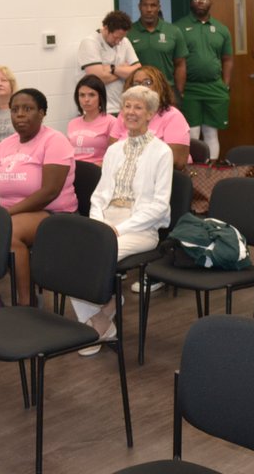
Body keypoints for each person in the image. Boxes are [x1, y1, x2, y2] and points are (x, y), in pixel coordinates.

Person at [74, 85, 173, 356]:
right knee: (71, 255)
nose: (130, 112)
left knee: (96, 256)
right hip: (106, 222)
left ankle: (101, 319)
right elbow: (99, 195)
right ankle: (99, 321)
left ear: (151, 113)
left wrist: (119, 228)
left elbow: (159, 206)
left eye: (138, 107)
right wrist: (98, 224)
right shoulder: (114, 150)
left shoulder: (162, 152)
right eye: (127, 106)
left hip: (141, 228)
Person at [0, 88, 77, 306]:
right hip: (11, 213)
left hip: (54, 213)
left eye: (28, 109)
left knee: (9, 231)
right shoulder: (5, 145)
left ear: (42, 113)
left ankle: (26, 302)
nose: (20, 115)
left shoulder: (55, 141)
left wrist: (6, 214)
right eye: (15, 110)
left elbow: (49, 191)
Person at [175, 0, 233, 160]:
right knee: (192, 132)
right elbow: (176, 61)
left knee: (211, 132)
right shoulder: (178, 27)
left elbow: (228, 59)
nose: (201, 1)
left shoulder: (222, 29)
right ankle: (193, 172)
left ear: (211, 2)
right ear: (191, 1)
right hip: (190, 88)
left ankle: (211, 171)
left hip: (214, 86)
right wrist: (180, 90)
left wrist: (225, 85)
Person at [108, 65, 190, 171]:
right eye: (136, 83)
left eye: (147, 83)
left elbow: (177, 161)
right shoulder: (125, 114)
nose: (141, 87)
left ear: (160, 86)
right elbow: (112, 151)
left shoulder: (174, 116)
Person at [78, 10, 142, 114]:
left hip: (122, 108)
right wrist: (124, 70)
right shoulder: (90, 42)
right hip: (100, 110)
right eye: (116, 37)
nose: (118, 42)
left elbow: (138, 72)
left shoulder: (124, 42)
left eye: (121, 38)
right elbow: (98, 79)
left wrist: (113, 69)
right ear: (106, 28)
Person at [127, 0, 187, 97]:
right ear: (139, 7)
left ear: (159, 7)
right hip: (138, 92)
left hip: (166, 91)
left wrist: (179, 92)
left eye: (153, 5)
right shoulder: (129, 32)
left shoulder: (174, 31)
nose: (149, 9)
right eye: (145, 5)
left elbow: (180, 64)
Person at [67, 74, 112, 165]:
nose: (86, 100)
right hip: (74, 171)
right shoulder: (72, 123)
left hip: (97, 171)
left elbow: (116, 156)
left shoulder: (111, 122)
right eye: (82, 95)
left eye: (91, 95)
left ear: (100, 97)